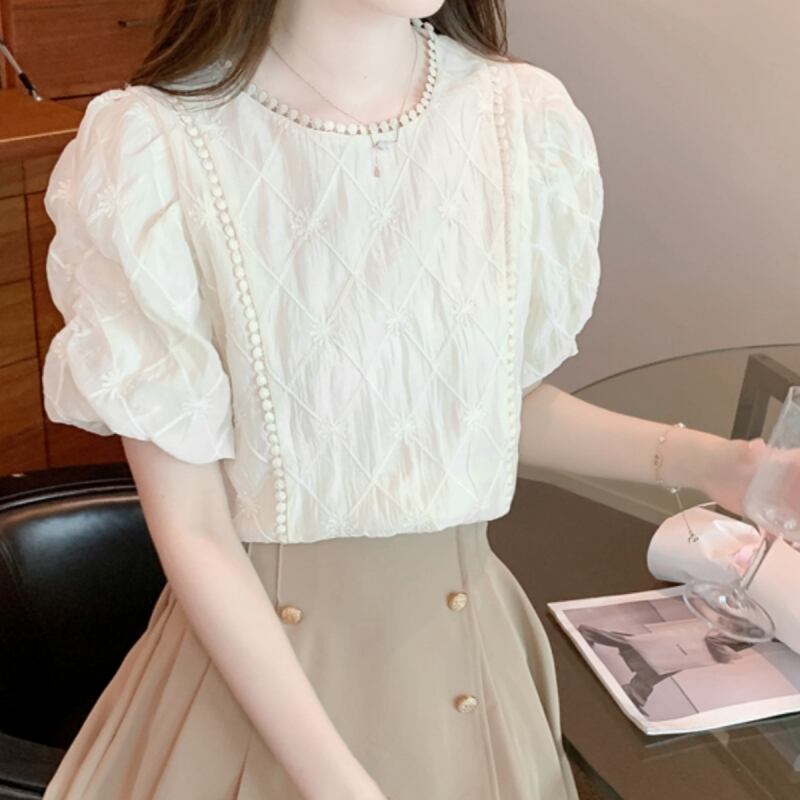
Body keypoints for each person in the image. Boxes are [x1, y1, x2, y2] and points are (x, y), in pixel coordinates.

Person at [38, 1, 767, 798]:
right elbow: (196, 529)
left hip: (468, 659)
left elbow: (485, 407)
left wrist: (723, 466)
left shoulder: (520, 118)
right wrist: (339, 785)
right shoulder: (157, 148)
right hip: (261, 689)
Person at [579, 621, 754, 712]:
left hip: (691, 651)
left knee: (652, 658)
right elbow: (714, 640)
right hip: (691, 649)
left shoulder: (753, 629)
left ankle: (635, 693)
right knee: (639, 646)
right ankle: (590, 633)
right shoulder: (753, 630)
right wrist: (725, 657)